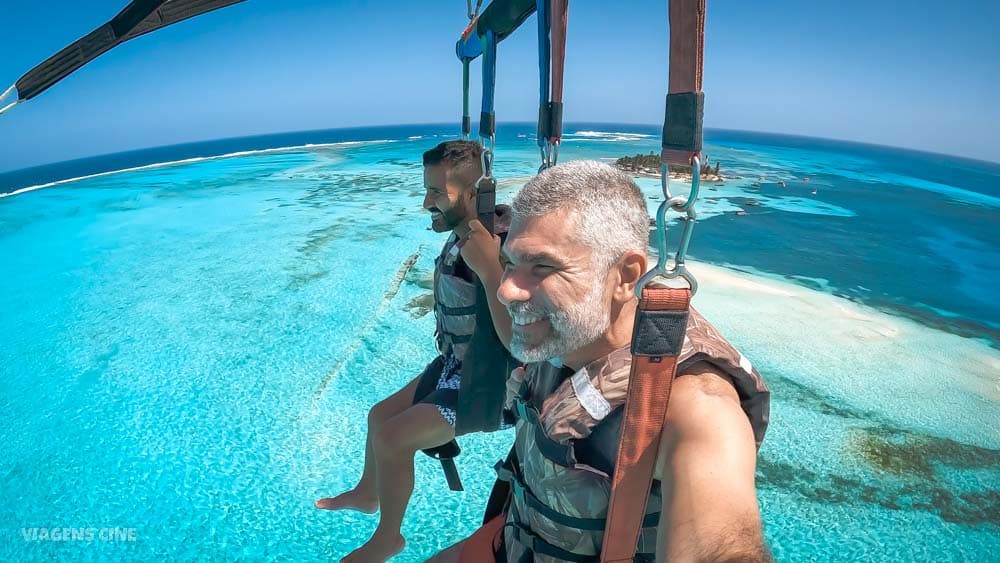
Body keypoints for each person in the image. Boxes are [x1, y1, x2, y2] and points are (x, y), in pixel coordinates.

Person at [429, 160, 771, 563]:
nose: (508, 291)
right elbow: (513, 339)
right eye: (508, 264)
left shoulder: (691, 406)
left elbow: (721, 547)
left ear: (626, 276)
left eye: (542, 266)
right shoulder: (569, 331)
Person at [314, 140, 513, 563]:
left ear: (476, 192)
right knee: (378, 416)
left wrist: (492, 267)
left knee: (392, 438)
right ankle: (370, 494)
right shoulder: (465, 235)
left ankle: (388, 539)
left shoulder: (498, 248)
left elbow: (517, 337)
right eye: (428, 190)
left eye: (437, 193)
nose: (426, 202)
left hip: (494, 386)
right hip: (458, 366)